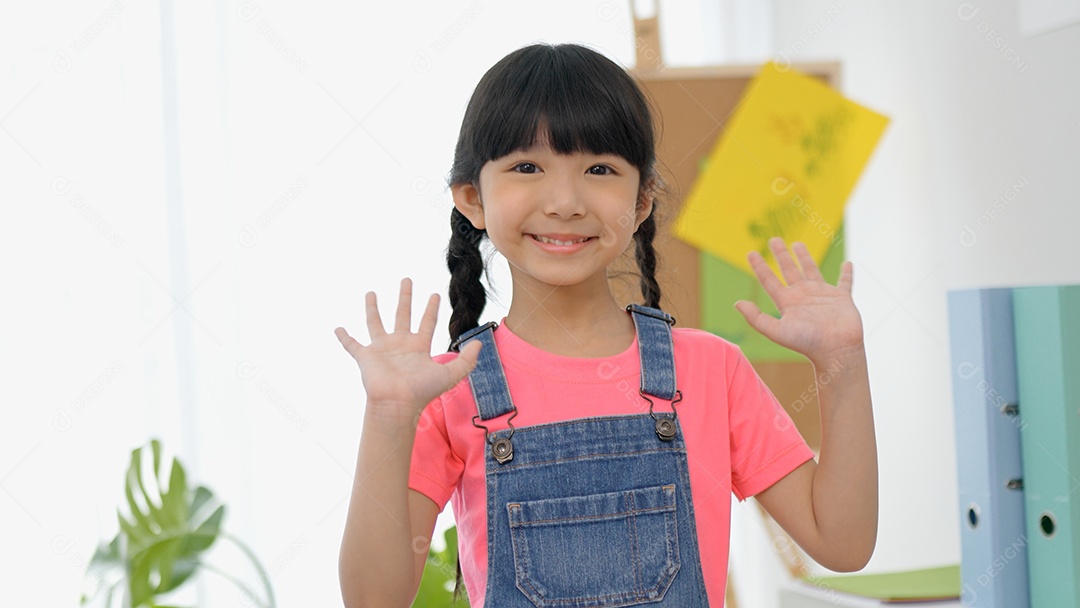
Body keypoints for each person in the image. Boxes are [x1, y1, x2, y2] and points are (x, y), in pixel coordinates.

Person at [335, 43, 877, 607]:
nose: (565, 201)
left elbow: (843, 544)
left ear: (642, 201)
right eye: (527, 167)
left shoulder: (712, 369)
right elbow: (374, 600)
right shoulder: (447, 389)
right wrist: (388, 416)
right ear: (472, 198)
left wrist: (842, 364)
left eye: (599, 169)